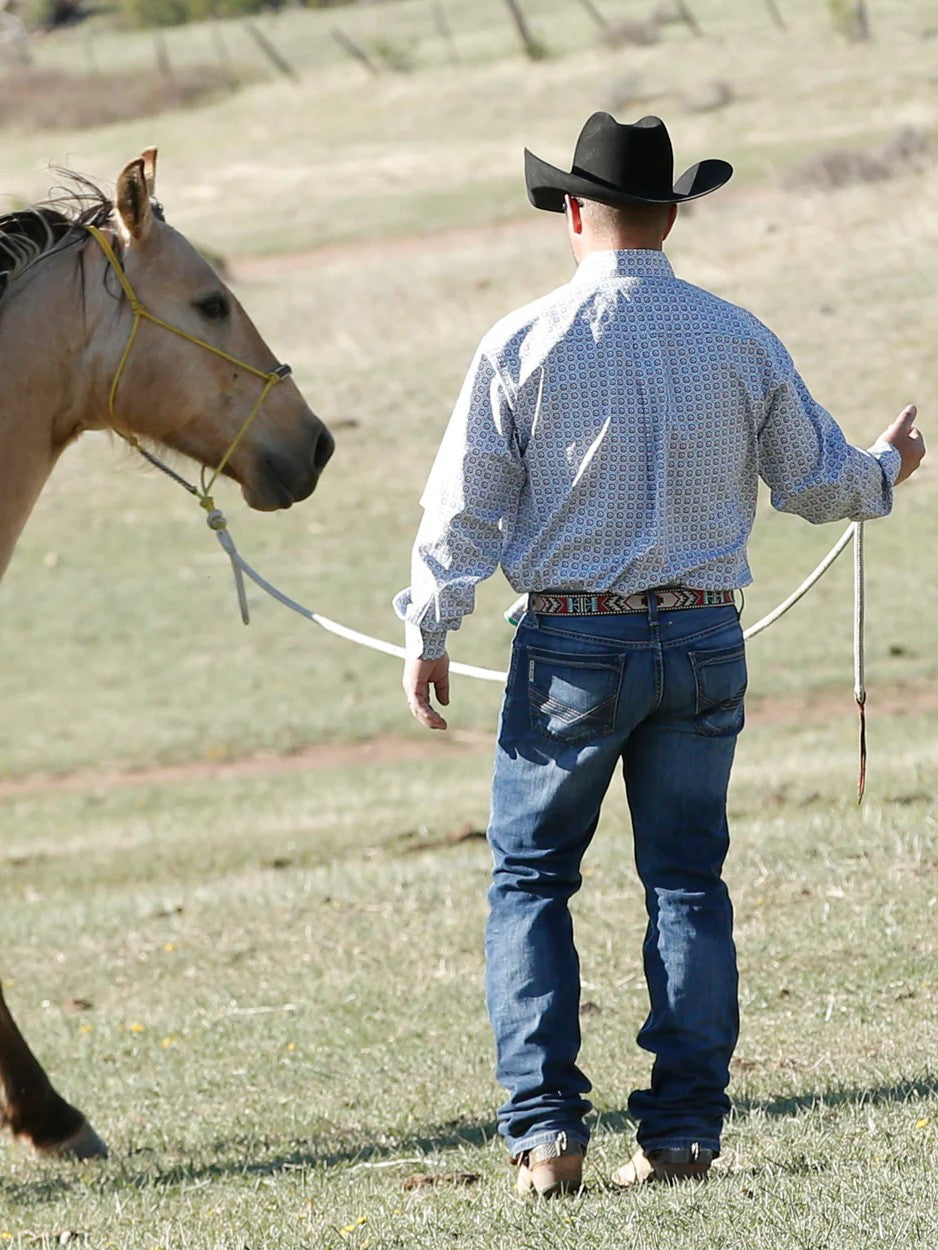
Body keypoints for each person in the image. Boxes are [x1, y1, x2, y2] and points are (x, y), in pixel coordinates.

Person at [393, 113, 925, 1198]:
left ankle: (547, 1135)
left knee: (531, 879)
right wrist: (887, 463)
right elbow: (819, 483)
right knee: (685, 882)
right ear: (671, 211)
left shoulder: (520, 341)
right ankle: (680, 1134)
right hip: (700, 637)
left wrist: (429, 624)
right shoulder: (736, 336)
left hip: (572, 642)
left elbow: (465, 511)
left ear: (573, 212)